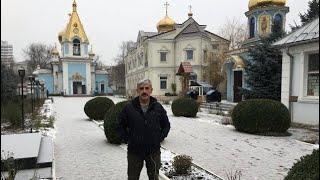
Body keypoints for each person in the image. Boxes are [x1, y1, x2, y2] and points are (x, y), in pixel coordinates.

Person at [117, 79, 171, 180]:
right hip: (134, 152)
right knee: (132, 177)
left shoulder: (158, 107)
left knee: (154, 177)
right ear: (137, 90)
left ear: (151, 90)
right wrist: (128, 139)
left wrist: (159, 138)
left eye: (147, 88)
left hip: (153, 152)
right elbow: (120, 125)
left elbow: (166, 125)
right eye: (141, 88)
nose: (144, 91)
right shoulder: (129, 108)